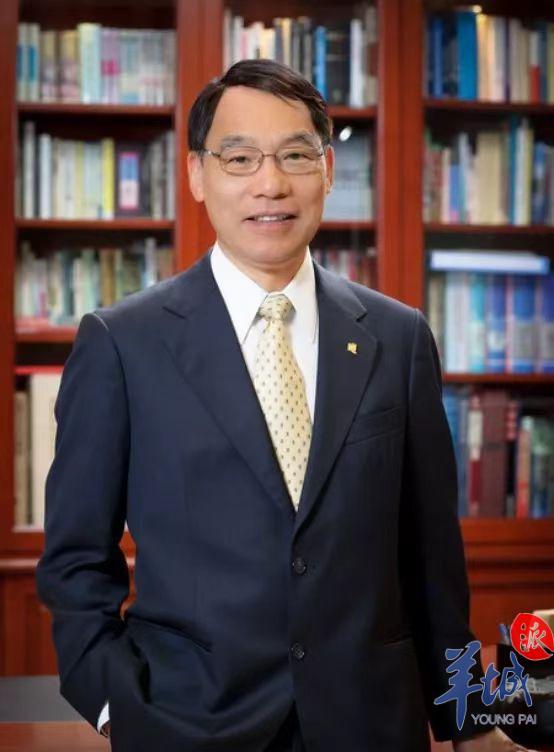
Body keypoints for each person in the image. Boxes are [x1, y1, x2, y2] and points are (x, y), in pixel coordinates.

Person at [36, 59, 535, 752]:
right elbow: (75, 561)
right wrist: (118, 706)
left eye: (295, 155)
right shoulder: (123, 344)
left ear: (327, 170)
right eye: (239, 158)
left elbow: (432, 564)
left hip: (370, 727)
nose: (270, 184)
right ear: (197, 174)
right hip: (188, 727)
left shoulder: (398, 338)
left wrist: (470, 717)